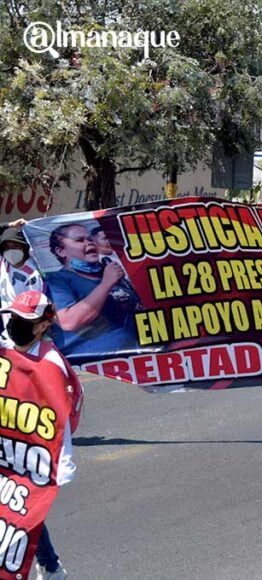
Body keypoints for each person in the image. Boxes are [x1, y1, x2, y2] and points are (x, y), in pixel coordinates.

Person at [1, 290, 83, 580]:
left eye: (24, 320)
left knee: (21, 508)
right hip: (5, 443)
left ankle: (49, 566)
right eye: (13, 317)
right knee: (18, 509)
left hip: (30, 452)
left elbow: (66, 414)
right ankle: (49, 565)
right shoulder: (6, 347)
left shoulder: (50, 365)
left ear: (43, 326)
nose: (15, 324)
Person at [45, 223, 141, 361]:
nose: (89, 243)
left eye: (90, 239)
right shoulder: (57, 280)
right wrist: (106, 284)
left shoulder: (109, 273)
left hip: (136, 355)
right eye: (79, 240)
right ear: (61, 251)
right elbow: (69, 322)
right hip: (96, 365)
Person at [0, 226, 43, 313]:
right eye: (7, 247)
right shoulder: (3, 263)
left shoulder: (34, 271)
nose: (11, 250)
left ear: (23, 248)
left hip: (27, 320)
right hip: (7, 320)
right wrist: (9, 225)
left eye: (15, 246)